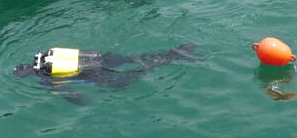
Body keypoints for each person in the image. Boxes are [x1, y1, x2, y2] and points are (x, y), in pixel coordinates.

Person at [13, 43, 196, 105]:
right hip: (100, 60)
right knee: (131, 58)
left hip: (91, 74)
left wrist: (79, 100)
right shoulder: (45, 57)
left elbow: (66, 91)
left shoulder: (43, 78)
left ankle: (157, 64)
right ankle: (172, 53)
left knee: (123, 81)